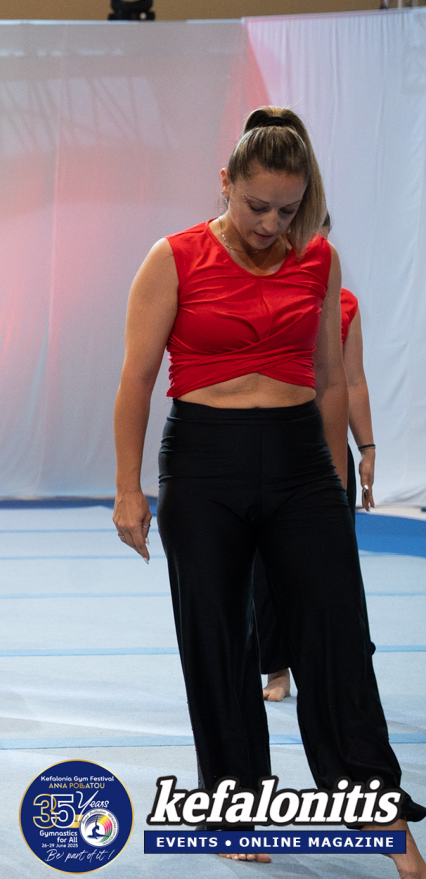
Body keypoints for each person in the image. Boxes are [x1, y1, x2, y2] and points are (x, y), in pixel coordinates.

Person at [112, 108, 424, 872]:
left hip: (299, 461)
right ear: (226, 183)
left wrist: (334, 476)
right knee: (217, 638)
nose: (270, 224)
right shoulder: (173, 257)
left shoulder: (318, 258)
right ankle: (237, 800)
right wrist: (127, 488)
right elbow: (137, 379)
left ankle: (378, 808)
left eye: (287, 210)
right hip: (203, 462)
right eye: (257, 206)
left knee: (337, 636)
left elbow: (328, 378)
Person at [256, 215, 376, 703]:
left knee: (336, 560)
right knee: (267, 563)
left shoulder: (344, 303)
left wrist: (366, 448)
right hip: (271, 441)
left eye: (317, 236)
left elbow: (353, 380)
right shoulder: (262, 289)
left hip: (325, 445)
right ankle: (277, 665)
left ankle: (346, 661)